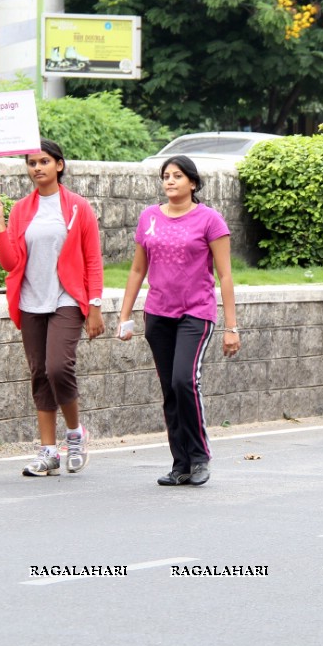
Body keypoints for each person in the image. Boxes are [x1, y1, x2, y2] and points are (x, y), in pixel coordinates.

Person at [118, 156, 240, 486]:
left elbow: (225, 275)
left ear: (193, 183)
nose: (170, 181)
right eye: (166, 176)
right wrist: (125, 315)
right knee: (169, 390)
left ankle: (200, 457)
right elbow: (137, 269)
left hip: (195, 313)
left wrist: (231, 327)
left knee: (184, 382)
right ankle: (180, 463)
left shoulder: (209, 220)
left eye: (177, 176)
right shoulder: (149, 218)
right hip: (158, 314)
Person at [0, 139, 104, 477]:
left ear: (59, 165)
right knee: (39, 373)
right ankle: (48, 451)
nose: (36, 168)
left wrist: (94, 306)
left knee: (58, 367)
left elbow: (93, 261)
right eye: (31, 163)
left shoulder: (78, 208)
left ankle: (75, 434)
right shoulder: (22, 209)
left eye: (43, 162)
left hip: (67, 298)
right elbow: (9, 263)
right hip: (30, 300)